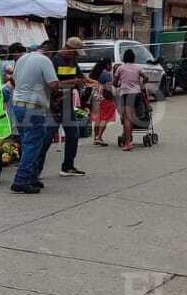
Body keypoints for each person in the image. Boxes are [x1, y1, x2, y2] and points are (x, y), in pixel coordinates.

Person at [10, 38, 58, 193]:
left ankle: (31, 177)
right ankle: (21, 180)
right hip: (34, 107)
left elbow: (15, 81)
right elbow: (53, 84)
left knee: (28, 141)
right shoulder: (45, 60)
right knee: (34, 143)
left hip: (18, 104)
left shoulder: (22, 58)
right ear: (50, 51)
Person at [48, 37, 89, 177]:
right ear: (69, 49)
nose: (77, 56)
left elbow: (81, 76)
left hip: (67, 102)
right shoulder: (54, 61)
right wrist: (74, 81)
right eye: (75, 53)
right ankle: (35, 169)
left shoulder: (73, 61)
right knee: (46, 137)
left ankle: (68, 166)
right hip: (53, 103)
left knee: (73, 134)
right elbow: (52, 84)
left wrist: (88, 81)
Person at [112, 46, 144, 151]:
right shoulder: (138, 67)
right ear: (134, 58)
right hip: (137, 94)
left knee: (127, 118)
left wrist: (119, 85)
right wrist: (141, 83)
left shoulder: (120, 68)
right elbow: (146, 77)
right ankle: (130, 139)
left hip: (126, 94)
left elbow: (115, 82)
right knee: (132, 117)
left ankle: (128, 143)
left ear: (124, 58)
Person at [92, 52, 117, 144]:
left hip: (96, 98)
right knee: (105, 118)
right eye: (111, 64)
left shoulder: (96, 73)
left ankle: (95, 137)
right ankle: (99, 137)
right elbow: (109, 88)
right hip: (105, 99)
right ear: (107, 65)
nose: (111, 66)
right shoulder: (106, 74)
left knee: (98, 119)